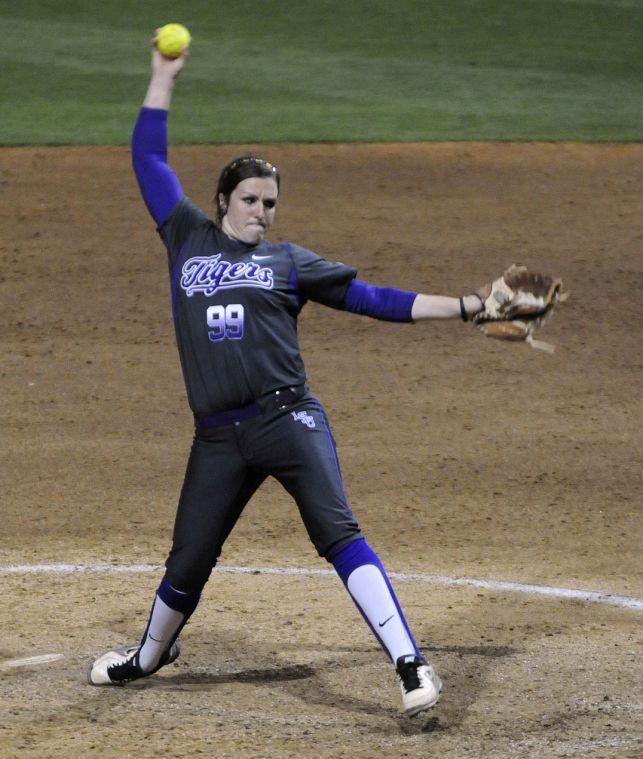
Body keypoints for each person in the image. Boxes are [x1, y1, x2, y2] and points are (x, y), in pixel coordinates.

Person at [87, 39, 490, 718]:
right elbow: (147, 160)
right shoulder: (186, 235)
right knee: (188, 557)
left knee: (337, 531)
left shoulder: (287, 261)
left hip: (286, 419)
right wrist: (162, 76)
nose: (261, 211)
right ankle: (147, 656)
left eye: (270, 202)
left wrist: (464, 307)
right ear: (221, 201)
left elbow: (373, 298)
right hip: (216, 436)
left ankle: (411, 664)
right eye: (249, 198)